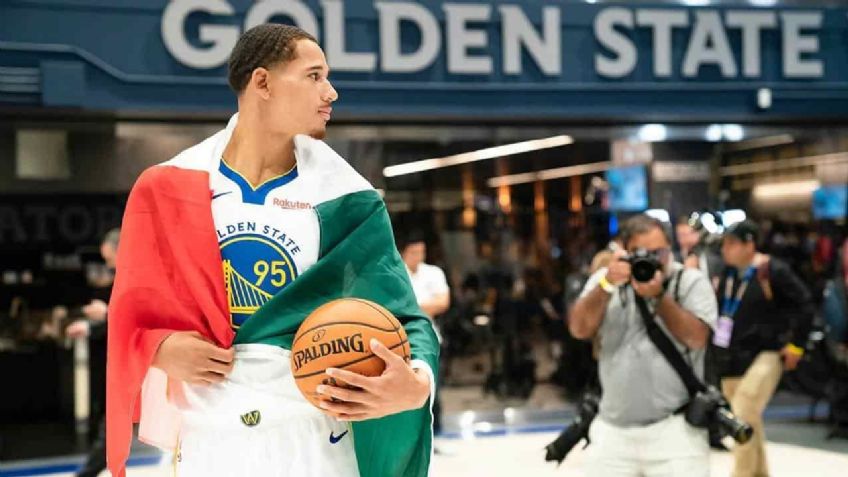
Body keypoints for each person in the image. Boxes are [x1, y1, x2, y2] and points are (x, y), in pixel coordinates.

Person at [106, 24, 439, 477]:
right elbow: (130, 315)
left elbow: (405, 317)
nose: (332, 92)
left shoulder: (348, 198)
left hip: (316, 434)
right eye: (314, 75)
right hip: (209, 436)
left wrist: (418, 384)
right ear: (262, 82)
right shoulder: (167, 186)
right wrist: (160, 348)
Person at [569, 214, 718, 477]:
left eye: (659, 252)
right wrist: (606, 285)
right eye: (641, 252)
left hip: (675, 431)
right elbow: (579, 328)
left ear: (670, 249)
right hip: (613, 431)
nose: (651, 260)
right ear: (624, 252)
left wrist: (660, 298)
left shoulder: (690, 282)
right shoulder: (605, 281)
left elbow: (697, 338)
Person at [715, 220, 814, 477]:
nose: (726, 249)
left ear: (750, 244)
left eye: (732, 244)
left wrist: (796, 346)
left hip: (769, 351)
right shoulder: (726, 274)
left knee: (744, 408)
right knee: (747, 416)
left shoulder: (772, 271)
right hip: (732, 355)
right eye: (724, 244)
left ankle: (742, 474)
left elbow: (805, 305)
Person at [65, 228, 120, 477]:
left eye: (109, 259)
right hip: (133, 358)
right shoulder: (124, 275)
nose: (108, 265)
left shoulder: (142, 272)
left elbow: (144, 317)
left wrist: (105, 314)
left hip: (153, 358)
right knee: (113, 423)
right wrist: (91, 325)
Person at [400, 232, 451, 448]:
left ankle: (435, 437)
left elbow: (443, 302)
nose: (418, 256)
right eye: (414, 252)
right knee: (402, 393)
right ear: (404, 252)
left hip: (428, 339)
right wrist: (423, 307)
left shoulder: (433, 272)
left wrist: (410, 308)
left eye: (422, 251)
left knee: (433, 389)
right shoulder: (394, 271)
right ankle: (407, 439)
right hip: (399, 341)